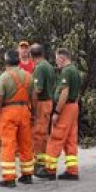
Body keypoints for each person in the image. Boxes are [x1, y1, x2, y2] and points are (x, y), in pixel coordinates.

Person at [0, 49, 36, 188]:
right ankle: (27, 175)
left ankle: (9, 178)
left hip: (9, 111)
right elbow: (34, 97)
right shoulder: (28, 76)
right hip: (25, 111)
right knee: (26, 143)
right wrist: (33, 113)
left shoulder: (4, 77)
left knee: (8, 144)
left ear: (6, 62)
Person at [35, 48, 81, 181]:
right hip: (73, 106)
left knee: (56, 137)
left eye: (56, 59)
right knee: (70, 139)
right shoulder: (76, 71)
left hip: (66, 108)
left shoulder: (67, 71)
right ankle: (72, 170)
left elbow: (64, 93)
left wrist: (57, 111)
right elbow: (76, 93)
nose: (56, 62)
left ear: (62, 58)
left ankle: (49, 169)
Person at [30, 43, 55, 171]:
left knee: (39, 133)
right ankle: (43, 160)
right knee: (44, 133)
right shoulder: (49, 66)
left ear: (31, 56)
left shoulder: (39, 68)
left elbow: (37, 90)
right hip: (48, 102)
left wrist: (33, 109)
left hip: (42, 103)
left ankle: (39, 163)